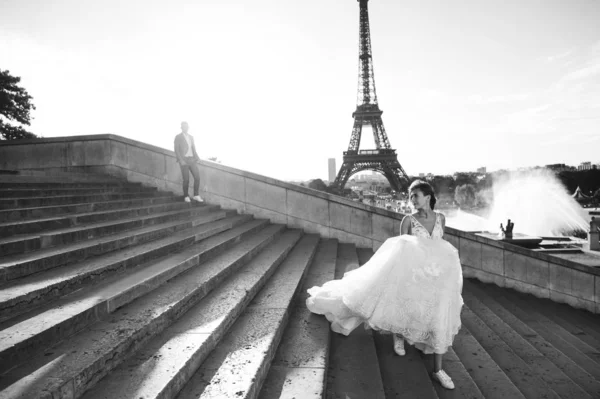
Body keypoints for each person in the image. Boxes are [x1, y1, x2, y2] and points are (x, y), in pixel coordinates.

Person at [306, 180, 463, 390]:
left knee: (438, 315)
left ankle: (438, 370)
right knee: (404, 303)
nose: (412, 200)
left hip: (435, 276)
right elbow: (403, 251)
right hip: (414, 273)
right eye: (410, 196)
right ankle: (398, 335)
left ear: (427, 196)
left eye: (415, 195)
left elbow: (440, 248)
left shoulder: (441, 218)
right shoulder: (408, 220)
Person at [174, 121, 203, 203]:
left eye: (186, 126)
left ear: (188, 127)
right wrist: (181, 160)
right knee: (186, 179)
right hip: (184, 160)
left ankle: (196, 195)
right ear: (181, 128)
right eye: (183, 127)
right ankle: (186, 196)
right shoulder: (178, 137)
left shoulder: (191, 137)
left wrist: (197, 157)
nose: (185, 128)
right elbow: (176, 150)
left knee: (197, 177)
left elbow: (193, 148)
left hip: (192, 159)